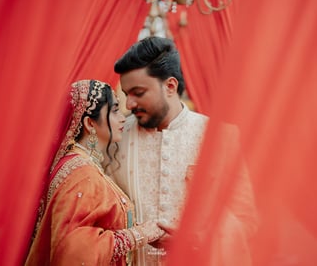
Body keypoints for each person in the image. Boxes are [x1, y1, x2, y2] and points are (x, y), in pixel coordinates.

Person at [111, 36, 259, 265]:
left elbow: (245, 220)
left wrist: (195, 239)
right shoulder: (115, 138)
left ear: (170, 86)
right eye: (126, 93)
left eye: (138, 93)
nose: (128, 104)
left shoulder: (219, 137)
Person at [24, 79, 166, 266]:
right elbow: (75, 252)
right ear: (90, 123)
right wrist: (139, 234)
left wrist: (146, 234)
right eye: (115, 110)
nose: (123, 117)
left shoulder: (78, 164)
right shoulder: (82, 175)